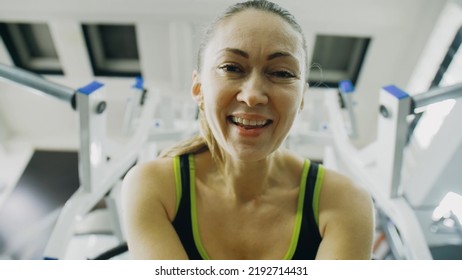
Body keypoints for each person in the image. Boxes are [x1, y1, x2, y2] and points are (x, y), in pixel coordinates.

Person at [121, 0, 374, 260]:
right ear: (198, 89)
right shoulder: (153, 188)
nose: (253, 96)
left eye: (282, 73)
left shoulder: (345, 202)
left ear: (301, 99)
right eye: (231, 68)